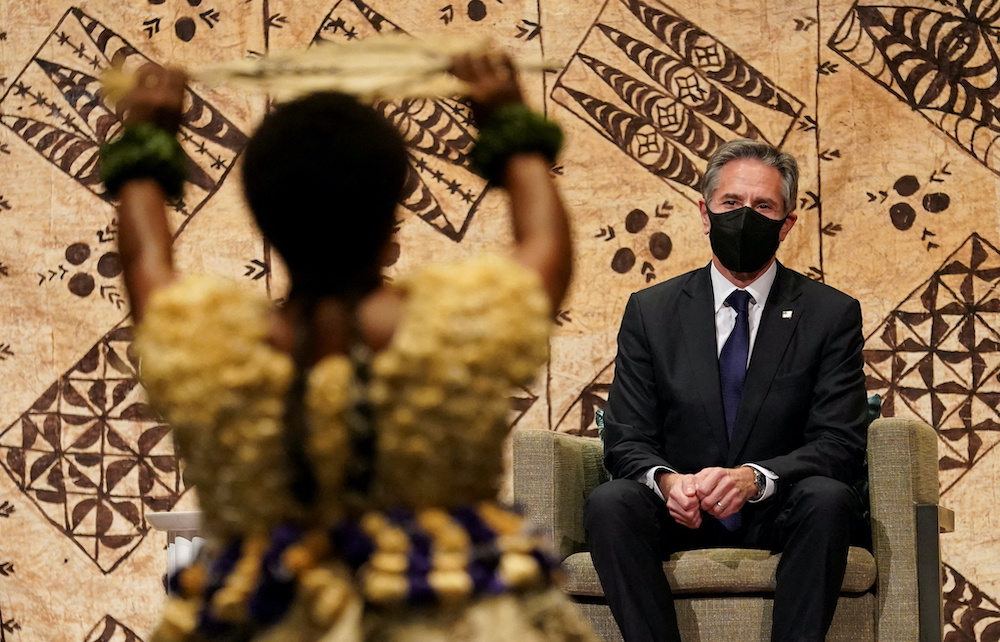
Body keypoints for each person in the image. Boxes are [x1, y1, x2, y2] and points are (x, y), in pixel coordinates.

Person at [103, 53, 597, 641]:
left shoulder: (208, 346)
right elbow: (546, 247)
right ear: (392, 213)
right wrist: (509, 123)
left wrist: (147, 136)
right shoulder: (459, 329)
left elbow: (145, 262)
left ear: (263, 217)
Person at [584, 139, 870, 642]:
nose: (745, 217)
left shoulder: (830, 314)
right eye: (731, 203)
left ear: (787, 224)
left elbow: (839, 442)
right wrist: (669, 483)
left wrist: (753, 479)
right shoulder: (652, 312)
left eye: (763, 207)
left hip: (777, 511)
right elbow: (627, 436)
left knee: (829, 499)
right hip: (680, 512)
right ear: (705, 213)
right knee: (611, 503)